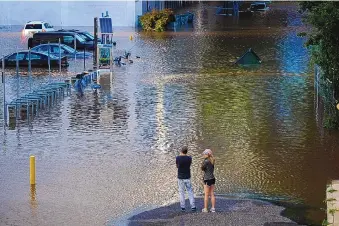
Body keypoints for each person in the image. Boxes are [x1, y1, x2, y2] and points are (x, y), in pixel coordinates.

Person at [176, 146, 196, 212]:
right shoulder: (189, 158)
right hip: (187, 176)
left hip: (180, 177)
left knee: (181, 192)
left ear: (181, 151)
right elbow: (190, 164)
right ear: (186, 151)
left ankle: (183, 207)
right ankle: (193, 207)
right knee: (190, 191)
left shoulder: (178, 158)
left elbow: (177, 166)